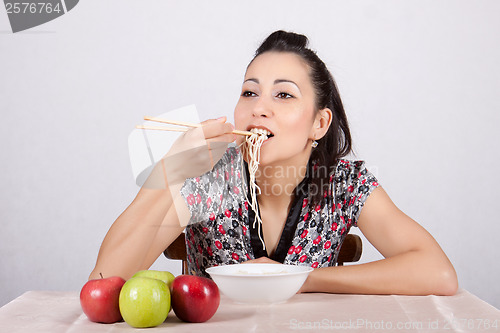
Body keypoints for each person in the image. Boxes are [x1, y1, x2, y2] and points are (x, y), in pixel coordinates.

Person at [89, 30, 458, 296]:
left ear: (319, 123)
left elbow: (438, 273)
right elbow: (103, 282)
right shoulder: (207, 177)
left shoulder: (343, 183)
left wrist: (297, 278)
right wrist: (170, 169)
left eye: (283, 94)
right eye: (249, 92)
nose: (258, 107)